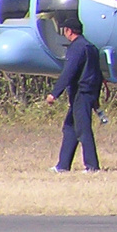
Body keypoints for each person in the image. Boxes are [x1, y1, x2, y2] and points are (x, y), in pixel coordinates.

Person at [45, 15, 101, 173]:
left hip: (81, 93)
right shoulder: (91, 47)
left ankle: (92, 166)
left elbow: (68, 73)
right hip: (88, 92)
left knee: (83, 129)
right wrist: (96, 97)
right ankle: (63, 165)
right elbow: (98, 74)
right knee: (70, 127)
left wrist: (54, 93)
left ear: (69, 31)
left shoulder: (76, 48)